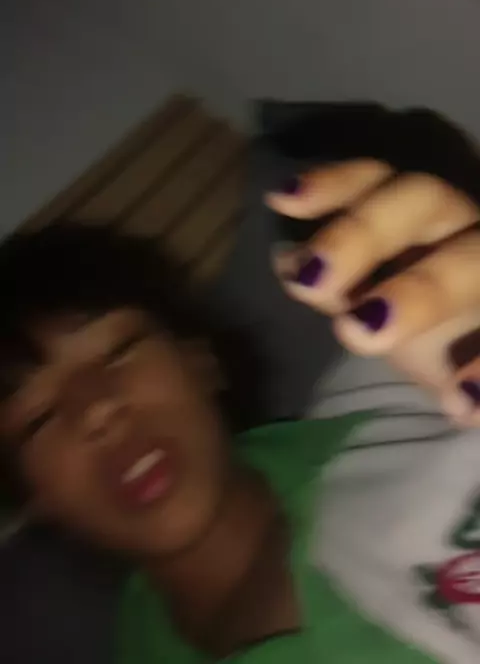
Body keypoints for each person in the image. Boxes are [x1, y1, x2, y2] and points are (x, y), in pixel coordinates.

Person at [1, 157, 480, 664]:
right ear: (36, 499)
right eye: (38, 418)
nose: (96, 408)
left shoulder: (413, 386)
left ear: (200, 362)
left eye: (119, 351)